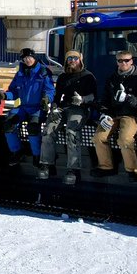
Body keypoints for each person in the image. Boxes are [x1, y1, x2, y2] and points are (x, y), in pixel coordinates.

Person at [38, 50, 97, 185]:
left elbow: (94, 96)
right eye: (69, 58)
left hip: (80, 108)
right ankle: (46, 163)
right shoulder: (63, 77)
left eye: (75, 58)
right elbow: (57, 96)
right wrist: (54, 107)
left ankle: (73, 168)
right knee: (49, 128)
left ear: (80, 60)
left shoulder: (88, 76)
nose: (72, 61)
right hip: (64, 107)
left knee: (71, 131)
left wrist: (82, 99)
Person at [92, 51, 137, 180]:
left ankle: (133, 170)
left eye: (127, 60)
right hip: (113, 114)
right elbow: (105, 99)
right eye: (120, 61)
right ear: (116, 62)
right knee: (98, 137)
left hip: (131, 115)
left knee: (124, 139)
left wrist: (129, 98)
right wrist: (104, 113)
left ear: (132, 61)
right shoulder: (112, 78)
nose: (124, 63)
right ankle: (106, 167)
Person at [3, 48, 54, 164]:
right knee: (8, 124)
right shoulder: (20, 73)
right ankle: (17, 151)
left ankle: (37, 155)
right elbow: (13, 91)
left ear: (34, 57)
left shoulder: (43, 72)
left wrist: (46, 99)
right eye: (25, 58)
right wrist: (4, 96)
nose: (27, 60)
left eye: (29, 57)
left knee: (33, 127)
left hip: (37, 107)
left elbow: (50, 90)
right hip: (22, 107)